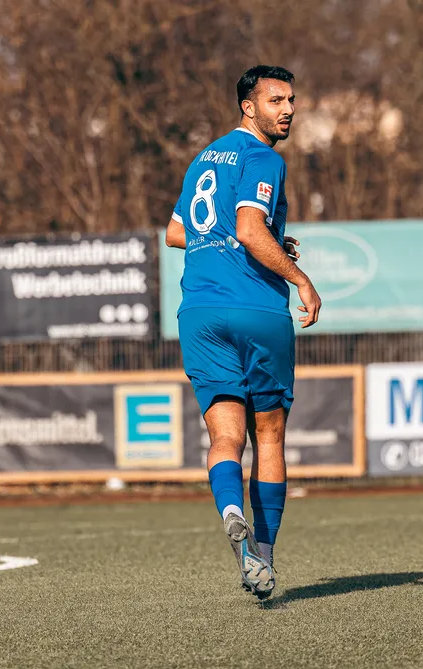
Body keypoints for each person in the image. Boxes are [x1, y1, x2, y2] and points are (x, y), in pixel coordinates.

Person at [164, 65, 321, 600]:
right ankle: (265, 558)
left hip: (200, 313)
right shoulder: (263, 158)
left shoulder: (201, 160)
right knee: (270, 436)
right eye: (276, 99)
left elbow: (178, 232)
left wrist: (249, 243)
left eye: (292, 100)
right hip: (255, 310)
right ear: (247, 107)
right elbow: (251, 229)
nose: (288, 109)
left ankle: (232, 515)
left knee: (224, 438)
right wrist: (298, 276)